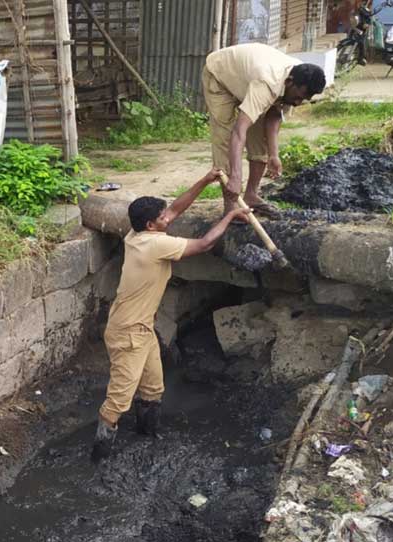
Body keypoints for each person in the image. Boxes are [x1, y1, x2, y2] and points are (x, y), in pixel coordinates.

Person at [91, 168, 252, 462]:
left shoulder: (136, 234)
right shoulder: (155, 245)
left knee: (153, 387)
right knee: (119, 399)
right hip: (129, 333)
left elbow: (175, 209)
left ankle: (146, 435)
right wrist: (229, 217)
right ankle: (99, 455)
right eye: (162, 218)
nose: (169, 218)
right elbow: (204, 245)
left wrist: (205, 181)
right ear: (152, 225)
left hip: (141, 328)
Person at [202, 43, 326, 217]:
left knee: (260, 139)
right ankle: (230, 206)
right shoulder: (268, 83)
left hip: (248, 78)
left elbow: (274, 115)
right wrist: (236, 176)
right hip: (220, 75)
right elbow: (239, 131)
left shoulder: (299, 76)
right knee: (225, 137)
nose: (298, 103)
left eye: (303, 100)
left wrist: (274, 155)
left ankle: (251, 195)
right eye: (298, 98)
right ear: (289, 82)